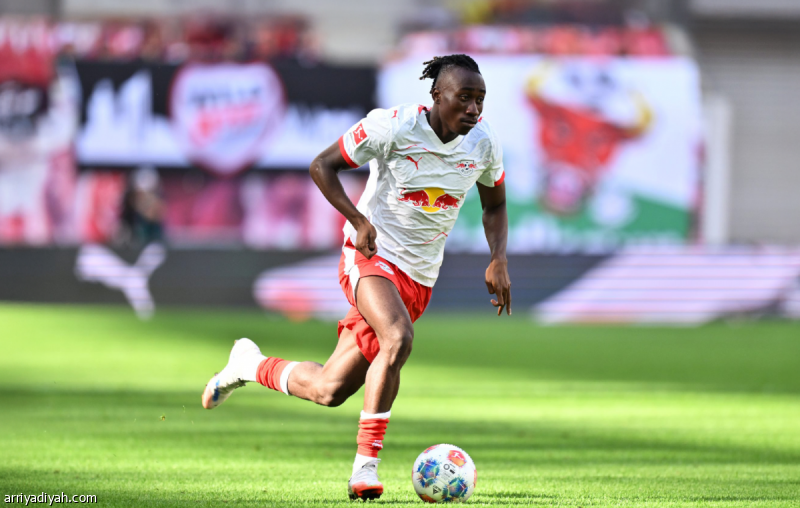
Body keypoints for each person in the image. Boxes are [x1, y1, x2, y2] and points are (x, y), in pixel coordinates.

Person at [201, 54, 512, 501]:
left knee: (330, 389)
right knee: (397, 338)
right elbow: (322, 165)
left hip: (419, 278)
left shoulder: (483, 142)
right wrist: (358, 220)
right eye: (464, 97)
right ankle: (365, 469)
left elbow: (495, 205)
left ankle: (247, 365)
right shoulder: (393, 127)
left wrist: (498, 258)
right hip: (369, 256)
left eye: (480, 100)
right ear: (436, 95)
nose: (473, 109)